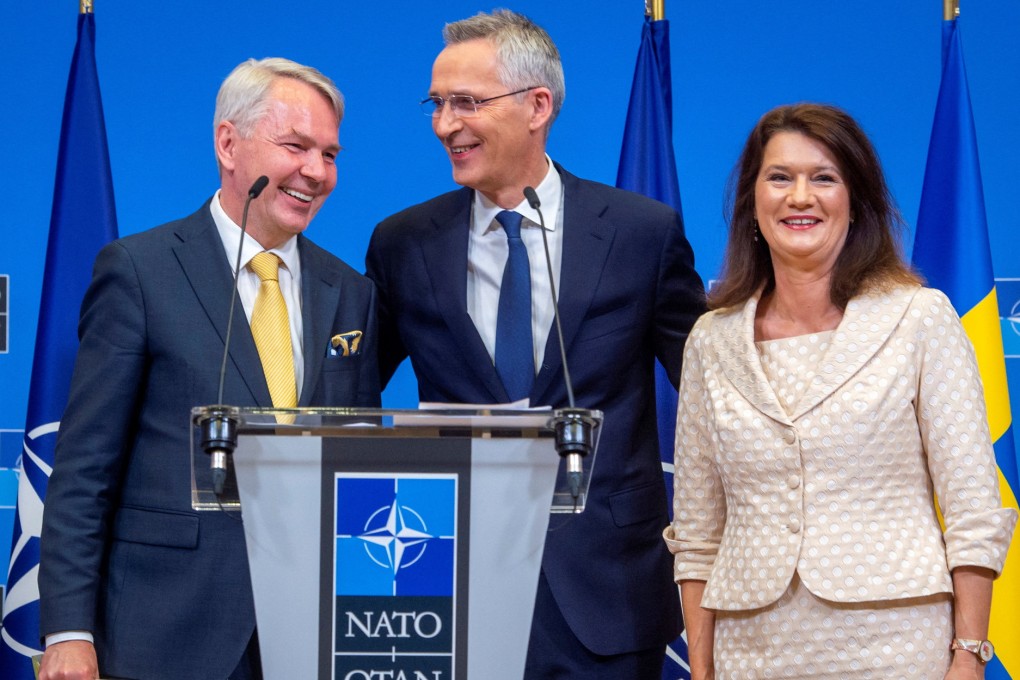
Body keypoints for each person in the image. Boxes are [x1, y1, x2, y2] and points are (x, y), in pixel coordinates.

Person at [365, 9, 705, 678]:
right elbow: (344, 400)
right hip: (447, 588)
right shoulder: (403, 242)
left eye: (466, 103)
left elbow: (712, 387)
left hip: (605, 592)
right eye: (436, 105)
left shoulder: (640, 233)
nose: (444, 126)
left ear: (536, 106)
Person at [37, 57, 380, 680]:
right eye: (295, 146)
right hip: (162, 632)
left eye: (329, 155)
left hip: (310, 636)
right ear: (229, 143)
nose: (316, 172)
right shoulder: (139, 272)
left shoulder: (349, 292)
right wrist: (67, 631)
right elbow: (84, 468)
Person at [664, 103, 1017, 680]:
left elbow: (974, 511)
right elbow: (700, 534)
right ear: (753, 200)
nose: (800, 196)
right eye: (779, 177)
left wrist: (968, 655)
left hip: (897, 647)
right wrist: (702, 668)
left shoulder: (918, 319)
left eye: (823, 178)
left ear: (856, 201)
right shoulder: (711, 339)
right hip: (751, 652)